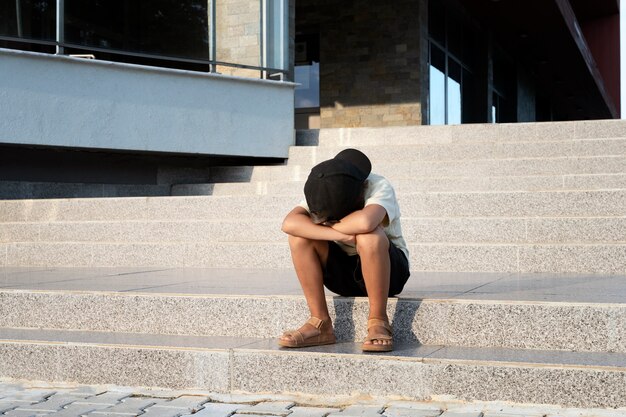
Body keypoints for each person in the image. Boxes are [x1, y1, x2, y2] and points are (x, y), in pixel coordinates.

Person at [278, 148, 410, 352]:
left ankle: (378, 320)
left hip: (389, 272)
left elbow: (366, 221)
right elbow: (289, 224)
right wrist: (340, 234)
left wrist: (321, 226)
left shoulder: (377, 185)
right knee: (299, 238)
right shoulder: (324, 189)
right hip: (343, 275)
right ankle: (320, 323)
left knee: (369, 236)